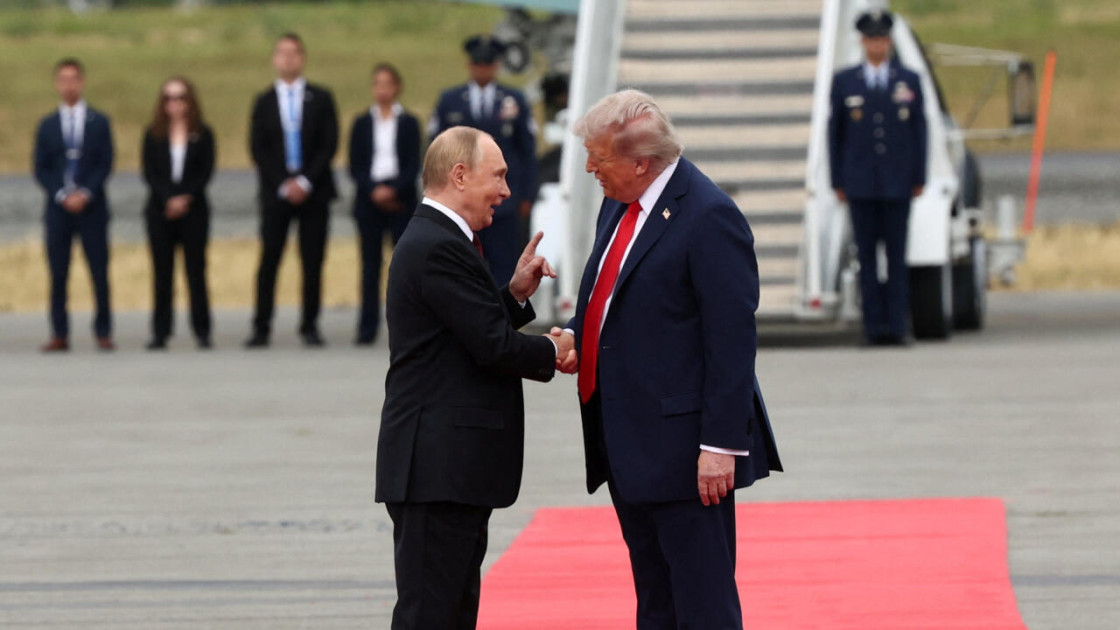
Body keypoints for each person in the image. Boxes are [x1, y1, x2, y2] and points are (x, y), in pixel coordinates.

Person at [550, 90, 782, 630]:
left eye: (598, 157)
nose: (589, 168)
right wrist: (577, 339)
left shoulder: (709, 217)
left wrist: (720, 447)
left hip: (687, 455)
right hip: (629, 445)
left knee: (703, 605)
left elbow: (731, 343)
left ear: (640, 161)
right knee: (655, 602)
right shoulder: (621, 198)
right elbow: (617, 297)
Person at [375, 126, 574, 630]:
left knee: (452, 612)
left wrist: (512, 296)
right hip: (436, 470)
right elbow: (491, 347)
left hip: (449, 472)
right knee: (431, 615)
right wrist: (556, 349)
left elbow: (463, 335)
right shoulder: (438, 246)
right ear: (459, 176)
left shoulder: (442, 241)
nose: (507, 191)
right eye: (499, 176)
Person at [828, 9, 928, 346]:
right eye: (872, 39)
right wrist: (837, 180)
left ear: (889, 41)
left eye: (882, 38)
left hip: (898, 183)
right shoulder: (845, 82)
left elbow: (919, 131)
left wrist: (919, 175)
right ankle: (873, 327)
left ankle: (898, 325)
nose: (877, 44)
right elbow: (835, 134)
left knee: (897, 258)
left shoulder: (908, 80)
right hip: (861, 184)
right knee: (867, 259)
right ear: (862, 41)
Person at [245, 32, 339, 348]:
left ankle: (310, 325)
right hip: (276, 192)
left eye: (294, 53)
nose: (288, 59)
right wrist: (282, 183)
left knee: (312, 260)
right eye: (282, 53)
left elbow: (329, 144)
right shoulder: (263, 100)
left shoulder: (321, 97)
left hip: (314, 191)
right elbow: (257, 147)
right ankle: (261, 326)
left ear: (303, 58)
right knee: (269, 258)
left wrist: (305, 181)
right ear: (275, 59)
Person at [428, 35, 538, 285]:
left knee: (504, 267)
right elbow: (437, 151)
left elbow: (527, 151)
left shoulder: (515, 100)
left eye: (488, 63)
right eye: (478, 63)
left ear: (496, 66)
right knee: (461, 269)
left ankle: (503, 321)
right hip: (462, 199)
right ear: (470, 65)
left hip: (504, 199)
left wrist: (527, 195)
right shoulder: (450, 100)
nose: (482, 69)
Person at [33, 58, 115, 353]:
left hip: (92, 208)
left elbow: (106, 163)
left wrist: (86, 193)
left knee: (99, 270)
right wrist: (61, 194)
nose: (69, 85)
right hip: (58, 210)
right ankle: (59, 332)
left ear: (82, 82)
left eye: (74, 79)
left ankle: (103, 330)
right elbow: (41, 167)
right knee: (58, 272)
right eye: (63, 80)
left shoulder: (99, 121)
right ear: (57, 84)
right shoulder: (47, 125)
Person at [347, 62, 421, 346]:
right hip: (369, 199)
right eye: (377, 84)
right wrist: (374, 190)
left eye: (388, 84)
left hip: (400, 200)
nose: (383, 90)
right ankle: (366, 328)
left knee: (403, 267)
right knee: (369, 265)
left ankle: (407, 328)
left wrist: (394, 190)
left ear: (397, 87)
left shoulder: (409, 122)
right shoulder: (362, 122)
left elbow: (414, 163)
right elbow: (355, 164)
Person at [141, 76, 215, 350]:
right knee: (163, 273)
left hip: (194, 211)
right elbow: (150, 172)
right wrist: (168, 199)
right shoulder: (153, 134)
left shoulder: (203, 134)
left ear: (190, 101)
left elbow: (205, 171)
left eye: (180, 97)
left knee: (196, 271)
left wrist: (185, 197)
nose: (175, 104)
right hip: (160, 212)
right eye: (169, 98)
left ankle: (202, 329)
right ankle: (161, 331)